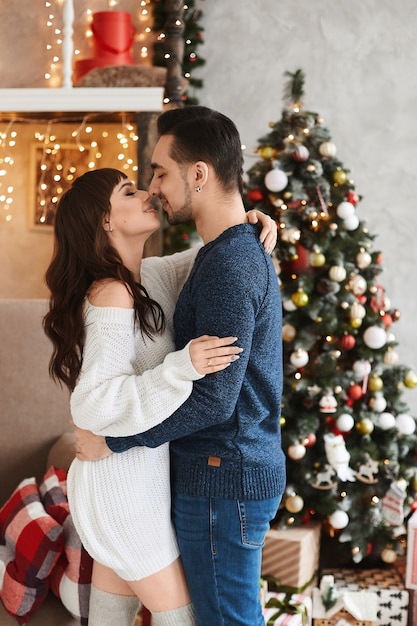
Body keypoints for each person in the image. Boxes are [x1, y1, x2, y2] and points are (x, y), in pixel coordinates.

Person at [74, 106, 285, 626]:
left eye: (158, 172)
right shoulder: (171, 272)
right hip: (169, 479)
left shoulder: (212, 265)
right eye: (139, 184)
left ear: (198, 174)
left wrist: (115, 441)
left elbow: (215, 398)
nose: (152, 189)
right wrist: (246, 223)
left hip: (217, 473)